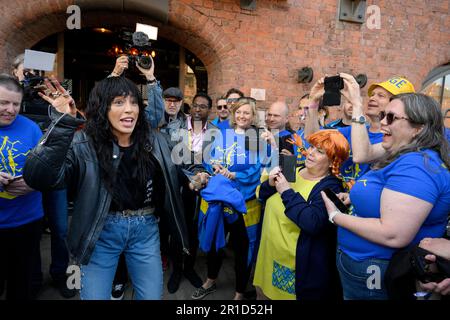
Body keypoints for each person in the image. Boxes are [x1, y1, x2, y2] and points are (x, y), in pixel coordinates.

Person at [23, 75, 190, 300]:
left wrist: (201, 174)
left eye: (133, 102)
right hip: (100, 232)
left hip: (146, 231)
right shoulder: (82, 144)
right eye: (119, 102)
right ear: (102, 107)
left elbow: (187, 164)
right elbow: (38, 177)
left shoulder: (155, 140)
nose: (129, 109)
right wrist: (63, 124)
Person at [321, 91, 450, 300]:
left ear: (419, 128)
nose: (382, 123)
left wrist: (336, 216)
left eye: (391, 118)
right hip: (366, 265)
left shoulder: (417, 166)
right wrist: (354, 198)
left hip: (378, 269)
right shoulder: (403, 154)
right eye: (383, 115)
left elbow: (393, 234)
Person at [254, 130, 349, 300]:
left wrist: (286, 191)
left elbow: (313, 223)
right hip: (267, 253)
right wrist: (269, 183)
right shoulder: (293, 168)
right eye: (311, 147)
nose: (311, 153)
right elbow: (261, 195)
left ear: (332, 162)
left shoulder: (332, 187)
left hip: (292, 264)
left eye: (320, 151)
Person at [11, 53, 75, 298]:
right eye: (27, 71)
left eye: (38, 72)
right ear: (15, 71)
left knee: (60, 228)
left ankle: (61, 274)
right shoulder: (11, 103)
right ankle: (33, 278)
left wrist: (63, 109)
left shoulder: (53, 98)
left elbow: (68, 132)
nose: (32, 76)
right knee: (31, 232)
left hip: (55, 174)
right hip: (23, 177)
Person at [192, 96, 263, 300]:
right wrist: (212, 167)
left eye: (246, 112)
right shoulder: (222, 133)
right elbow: (209, 158)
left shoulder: (256, 138)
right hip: (218, 200)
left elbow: (257, 170)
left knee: (242, 249)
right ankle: (210, 280)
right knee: (215, 242)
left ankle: (240, 292)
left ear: (253, 116)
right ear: (234, 114)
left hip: (243, 203)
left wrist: (235, 175)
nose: (242, 116)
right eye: (238, 111)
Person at [305, 74, 415, 190]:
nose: (372, 98)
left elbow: (361, 156)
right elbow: (313, 138)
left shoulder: (397, 141)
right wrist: (313, 100)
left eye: (381, 96)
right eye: (372, 95)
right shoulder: (352, 131)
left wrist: (357, 104)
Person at [163, 92, 218, 294]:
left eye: (203, 107)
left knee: (193, 229)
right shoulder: (176, 126)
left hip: (200, 187)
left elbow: (215, 161)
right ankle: (176, 271)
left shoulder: (214, 132)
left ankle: (189, 268)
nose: (197, 109)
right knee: (176, 228)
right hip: (177, 183)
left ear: (208, 111)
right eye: (195, 105)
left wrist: (203, 173)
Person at [0, 74, 43, 300]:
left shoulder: (32, 128)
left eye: (15, 104)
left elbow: (48, 170)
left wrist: (35, 182)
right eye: (3, 103)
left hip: (27, 222)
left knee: (22, 286)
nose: (10, 109)